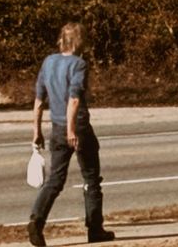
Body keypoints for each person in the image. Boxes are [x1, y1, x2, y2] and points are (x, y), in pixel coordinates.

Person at [28, 22, 114, 246]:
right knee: (91, 178)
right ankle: (95, 228)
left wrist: (36, 131)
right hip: (78, 128)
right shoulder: (79, 65)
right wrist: (72, 130)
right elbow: (74, 98)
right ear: (78, 42)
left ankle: (36, 221)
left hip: (55, 129)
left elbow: (39, 101)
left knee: (55, 180)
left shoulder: (48, 62)